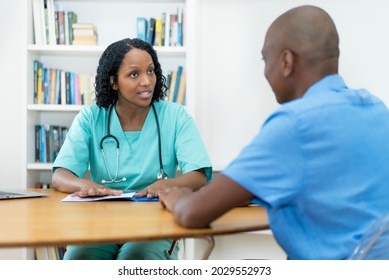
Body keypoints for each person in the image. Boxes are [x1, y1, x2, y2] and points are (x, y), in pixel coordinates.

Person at [158, 5, 389, 260]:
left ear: (287, 62)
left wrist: (178, 197)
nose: (266, 71)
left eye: (265, 60)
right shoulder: (377, 109)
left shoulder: (295, 124)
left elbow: (193, 214)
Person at [52, 38, 212, 260]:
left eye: (151, 71)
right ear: (114, 82)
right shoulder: (91, 117)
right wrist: (88, 186)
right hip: (101, 221)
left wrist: (167, 184)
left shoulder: (175, 116)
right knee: (79, 258)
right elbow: (60, 176)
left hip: (155, 220)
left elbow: (199, 176)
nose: (147, 81)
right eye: (134, 74)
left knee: (136, 258)